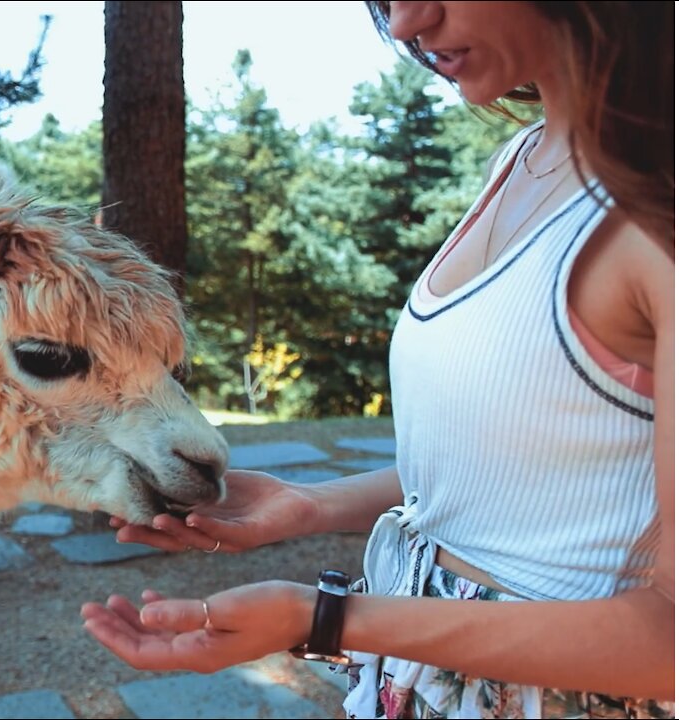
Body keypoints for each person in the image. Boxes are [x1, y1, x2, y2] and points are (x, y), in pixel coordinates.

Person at [79, 2, 675, 717]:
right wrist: (313, 506)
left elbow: (668, 640)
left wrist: (322, 618)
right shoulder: (524, 159)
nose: (404, 24)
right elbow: (537, 461)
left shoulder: (655, 210)